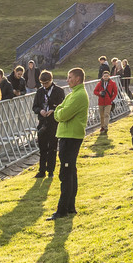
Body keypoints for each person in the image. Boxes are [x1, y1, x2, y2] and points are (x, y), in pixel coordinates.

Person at [49, 69, 86, 219]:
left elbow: (62, 113)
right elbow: (60, 109)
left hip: (70, 137)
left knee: (66, 173)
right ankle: (70, 206)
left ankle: (62, 209)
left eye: (70, 77)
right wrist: (59, 111)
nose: (67, 80)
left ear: (78, 79)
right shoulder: (73, 94)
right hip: (68, 135)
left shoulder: (78, 95)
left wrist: (58, 111)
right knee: (70, 172)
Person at [32, 71, 64, 180]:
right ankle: (41, 170)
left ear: (51, 80)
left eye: (46, 83)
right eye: (42, 83)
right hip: (42, 122)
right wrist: (40, 110)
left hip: (53, 122)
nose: (44, 85)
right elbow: (35, 107)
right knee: (42, 148)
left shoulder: (59, 91)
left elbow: (62, 105)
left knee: (52, 148)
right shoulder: (40, 92)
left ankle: (51, 170)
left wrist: (53, 110)